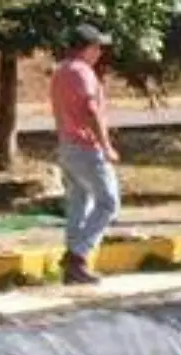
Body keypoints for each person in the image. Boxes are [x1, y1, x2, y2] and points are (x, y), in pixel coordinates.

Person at [49, 23, 121, 285]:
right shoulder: (82, 72)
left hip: (66, 145)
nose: (101, 51)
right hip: (85, 146)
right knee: (108, 202)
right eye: (98, 46)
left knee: (79, 203)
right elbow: (90, 111)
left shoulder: (61, 72)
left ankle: (73, 266)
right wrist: (105, 145)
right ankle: (78, 256)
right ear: (87, 47)